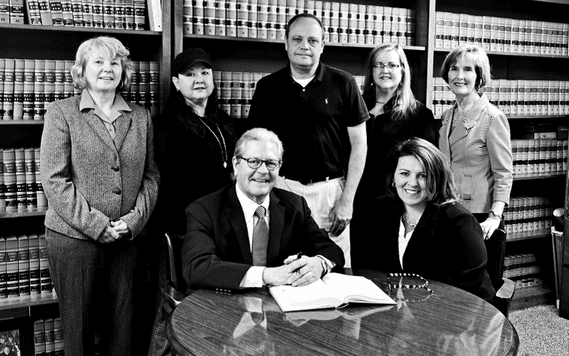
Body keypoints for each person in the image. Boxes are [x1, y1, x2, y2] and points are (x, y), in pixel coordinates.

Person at [40, 36, 160, 356]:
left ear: (124, 70)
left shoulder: (141, 117)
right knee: (78, 334)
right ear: (82, 70)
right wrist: (97, 225)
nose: (108, 68)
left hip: (126, 241)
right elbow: (54, 180)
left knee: (123, 331)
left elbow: (151, 177)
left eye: (115, 62)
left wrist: (132, 222)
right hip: (73, 241)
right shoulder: (61, 113)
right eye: (98, 62)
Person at [248, 13, 369, 267]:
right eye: (298, 39)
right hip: (282, 188)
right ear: (286, 43)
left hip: (330, 193)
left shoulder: (344, 83)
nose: (305, 46)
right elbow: (255, 145)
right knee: (283, 267)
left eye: (313, 40)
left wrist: (347, 201)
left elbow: (359, 145)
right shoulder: (267, 87)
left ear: (323, 45)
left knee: (335, 270)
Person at [182, 128, 345, 291]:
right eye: (253, 161)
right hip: (221, 306)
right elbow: (197, 268)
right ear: (236, 164)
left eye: (271, 163)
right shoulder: (204, 210)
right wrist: (266, 275)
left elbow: (332, 251)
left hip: (281, 308)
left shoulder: (295, 206)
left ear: (279, 167)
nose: (263, 171)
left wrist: (319, 263)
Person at [352, 138, 495, 303]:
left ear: (436, 179)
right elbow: (370, 268)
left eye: (423, 175)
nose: (412, 183)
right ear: (393, 177)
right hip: (406, 307)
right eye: (404, 173)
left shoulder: (458, 221)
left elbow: (469, 290)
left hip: (461, 311)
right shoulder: (381, 210)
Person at [352, 43, 438, 256]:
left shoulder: (419, 115)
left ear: (403, 70)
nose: (385, 70)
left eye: (392, 65)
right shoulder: (355, 108)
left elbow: (428, 166)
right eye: (379, 65)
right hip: (358, 204)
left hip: (397, 206)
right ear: (371, 71)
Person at [154, 47, 238, 236]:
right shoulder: (168, 127)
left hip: (226, 220)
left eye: (205, 73)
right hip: (190, 224)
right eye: (190, 74)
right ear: (176, 82)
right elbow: (172, 188)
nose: (199, 79)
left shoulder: (223, 121)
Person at [438, 44, 513, 240]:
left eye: (467, 69)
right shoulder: (446, 116)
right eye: (454, 68)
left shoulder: (492, 118)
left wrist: (495, 216)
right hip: (447, 207)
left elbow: (503, 173)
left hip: (479, 215)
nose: (459, 76)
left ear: (479, 77)